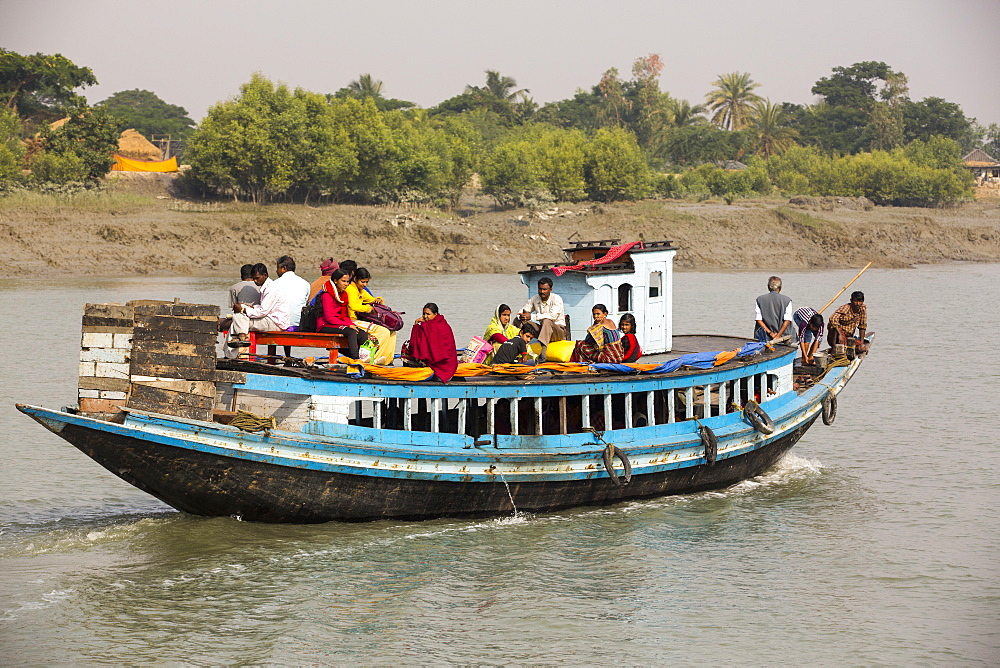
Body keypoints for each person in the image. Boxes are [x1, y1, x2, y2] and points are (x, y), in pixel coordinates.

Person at [225, 263, 289, 358]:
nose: (255, 281)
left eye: (257, 278)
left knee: (238, 318)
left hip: (275, 323)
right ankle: (237, 342)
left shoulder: (271, 289)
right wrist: (248, 307)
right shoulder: (266, 287)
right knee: (238, 318)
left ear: (265, 275)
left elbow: (262, 312)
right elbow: (262, 308)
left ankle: (234, 348)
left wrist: (243, 309)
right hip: (270, 319)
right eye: (254, 278)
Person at [347, 267, 397, 365]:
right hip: (351, 320)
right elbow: (353, 306)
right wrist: (368, 309)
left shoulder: (360, 290)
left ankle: (387, 360)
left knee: (392, 332)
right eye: (363, 282)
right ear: (355, 279)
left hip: (359, 320)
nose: (365, 285)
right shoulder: (351, 289)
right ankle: (374, 359)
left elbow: (371, 299)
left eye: (366, 282)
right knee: (383, 332)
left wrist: (378, 299)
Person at [316, 269, 369, 360]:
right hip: (325, 325)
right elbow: (329, 318)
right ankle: (355, 359)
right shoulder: (326, 295)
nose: (346, 284)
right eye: (343, 281)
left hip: (338, 323)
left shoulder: (344, 294)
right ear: (336, 281)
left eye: (347, 281)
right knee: (351, 332)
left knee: (362, 334)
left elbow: (345, 315)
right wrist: (348, 325)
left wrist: (351, 324)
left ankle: (365, 357)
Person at [401, 303, 458, 383]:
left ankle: (414, 371)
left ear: (435, 314)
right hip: (450, 364)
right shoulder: (442, 323)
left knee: (407, 345)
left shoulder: (432, 326)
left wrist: (416, 325)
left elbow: (415, 343)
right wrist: (417, 324)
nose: (425, 316)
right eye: (424, 314)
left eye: (428, 314)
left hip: (441, 364)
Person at [519, 277, 567, 360]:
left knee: (547, 321)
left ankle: (543, 354)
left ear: (550, 289)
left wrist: (531, 316)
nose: (542, 292)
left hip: (558, 332)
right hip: (543, 330)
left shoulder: (556, 299)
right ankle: (517, 346)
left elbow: (552, 316)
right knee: (520, 321)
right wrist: (521, 315)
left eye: (545, 289)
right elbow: (525, 310)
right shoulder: (535, 298)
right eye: (540, 289)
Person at [273, 255, 311, 331]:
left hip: (280, 326)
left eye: (278, 268)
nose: (276, 271)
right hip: (299, 325)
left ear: (283, 269)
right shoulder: (305, 284)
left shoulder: (274, 284)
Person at [754, 276, 793, 342]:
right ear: (780, 288)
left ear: (768, 287)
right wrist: (778, 336)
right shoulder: (787, 300)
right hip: (783, 336)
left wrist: (770, 333)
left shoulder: (760, 299)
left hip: (765, 336)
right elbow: (787, 320)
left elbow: (758, 319)